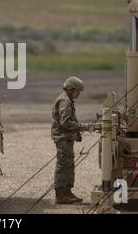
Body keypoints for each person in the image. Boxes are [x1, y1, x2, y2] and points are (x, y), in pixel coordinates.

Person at [51, 76, 86, 204]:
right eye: (78, 91)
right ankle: (60, 195)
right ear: (71, 89)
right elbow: (65, 122)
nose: (79, 94)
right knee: (63, 165)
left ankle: (67, 191)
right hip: (62, 138)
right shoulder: (64, 101)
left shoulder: (68, 100)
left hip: (67, 137)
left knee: (69, 165)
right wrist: (81, 127)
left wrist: (77, 132)